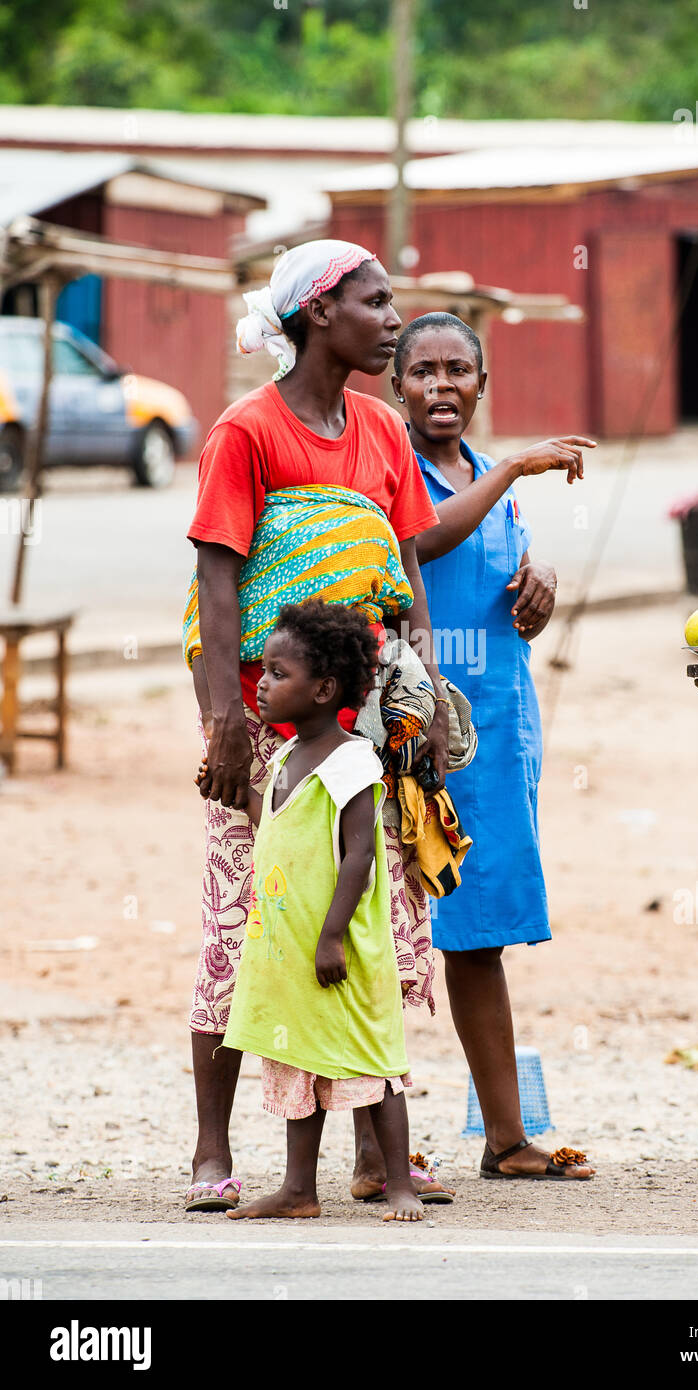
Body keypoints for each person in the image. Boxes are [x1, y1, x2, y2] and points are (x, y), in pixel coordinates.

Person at [184, 240, 453, 1212]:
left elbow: (404, 577)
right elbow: (221, 585)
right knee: (243, 920)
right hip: (265, 724)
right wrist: (222, 721)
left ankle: (379, 1152)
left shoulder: (382, 432)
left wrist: (417, 698)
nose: (393, 319)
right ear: (315, 314)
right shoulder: (246, 431)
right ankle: (214, 1148)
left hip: (368, 729)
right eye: (376, 304)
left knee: (371, 925)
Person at [391, 311, 598, 1180]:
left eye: (459, 371)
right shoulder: (385, 467)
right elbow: (425, 538)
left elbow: (489, 572)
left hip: (498, 735)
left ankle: (505, 1140)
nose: (442, 386)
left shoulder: (489, 479)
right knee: (382, 931)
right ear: (394, 386)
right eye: (422, 372)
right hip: (413, 732)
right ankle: (378, 1147)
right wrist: (517, 462)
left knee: (477, 936)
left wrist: (539, 579)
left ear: (483, 384)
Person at [206, 601, 423, 1223]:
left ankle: (400, 1184)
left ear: (324, 689)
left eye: (277, 673)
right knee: (299, 1060)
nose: (264, 684)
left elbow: (361, 857)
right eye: (264, 672)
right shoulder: (282, 755)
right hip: (289, 941)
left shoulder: (352, 761)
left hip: (341, 945)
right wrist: (229, 790)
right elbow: (273, 819)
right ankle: (299, 1189)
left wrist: (332, 937)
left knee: (373, 1065)